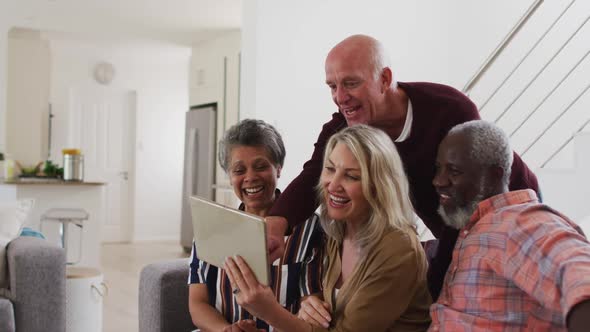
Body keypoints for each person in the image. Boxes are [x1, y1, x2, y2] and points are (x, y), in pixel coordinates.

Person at [264, 34, 540, 299]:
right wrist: (277, 223)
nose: (340, 97)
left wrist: (435, 285)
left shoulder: (451, 110)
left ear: (384, 79)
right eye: (332, 86)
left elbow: (466, 209)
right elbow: (314, 173)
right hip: (448, 224)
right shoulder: (345, 124)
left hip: (505, 209)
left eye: (350, 83)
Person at [224, 125, 432, 332]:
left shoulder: (399, 250)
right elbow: (321, 322)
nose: (332, 185)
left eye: (351, 176)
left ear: (379, 186)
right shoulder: (337, 230)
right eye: (330, 169)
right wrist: (308, 309)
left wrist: (269, 311)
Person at [429, 120, 590, 331]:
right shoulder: (477, 226)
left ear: (494, 175)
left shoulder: (519, 222)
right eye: (439, 168)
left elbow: (579, 273)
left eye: (454, 171)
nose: (438, 181)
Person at [188, 119, 324, 332]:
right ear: (229, 176)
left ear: (278, 169)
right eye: (239, 170)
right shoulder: (211, 226)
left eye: (261, 167)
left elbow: (311, 308)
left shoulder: (309, 230)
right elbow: (198, 303)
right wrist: (226, 330)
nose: (250, 177)